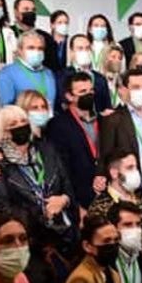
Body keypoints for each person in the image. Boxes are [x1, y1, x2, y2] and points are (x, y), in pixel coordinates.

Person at [0, 104, 78, 255]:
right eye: (13, 124)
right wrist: (43, 213)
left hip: (65, 230)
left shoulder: (47, 149)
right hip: (31, 239)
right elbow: (4, 207)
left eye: (23, 121)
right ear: (3, 132)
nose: (21, 126)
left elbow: (67, 185)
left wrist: (64, 199)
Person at [100, 68, 142, 191]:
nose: (141, 91)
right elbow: (106, 158)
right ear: (124, 90)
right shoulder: (113, 120)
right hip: (129, 188)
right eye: (136, 87)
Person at [45, 72, 103, 209]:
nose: (89, 94)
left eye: (91, 90)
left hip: (103, 192)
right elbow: (62, 168)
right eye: (82, 91)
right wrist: (75, 204)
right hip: (77, 198)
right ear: (69, 96)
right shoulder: (58, 125)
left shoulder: (103, 121)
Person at [0, 30, 56, 107]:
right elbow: (6, 108)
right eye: (31, 48)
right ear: (20, 50)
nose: (36, 51)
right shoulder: (7, 73)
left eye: (40, 48)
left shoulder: (48, 73)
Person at [59, 33, 113, 114]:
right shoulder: (62, 76)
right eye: (80, 48)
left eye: (87, 48)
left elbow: (107, 106)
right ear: (71, 52)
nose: (84, 51)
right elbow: (62, 103)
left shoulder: (100, 78)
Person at [10, 0, 58, 72]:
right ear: (16, 12)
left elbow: (53, 67)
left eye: (33, 10)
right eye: (26, 9)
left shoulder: (46, 37)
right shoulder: (8, 33)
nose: (30, 12)